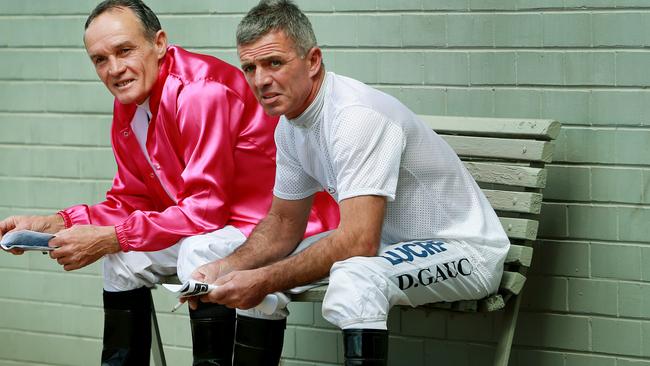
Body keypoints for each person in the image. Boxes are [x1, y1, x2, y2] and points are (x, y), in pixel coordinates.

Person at [0, 1, 339, 365]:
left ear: (159, 43)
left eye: (124, 50)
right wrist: (59, 222)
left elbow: (204, 211)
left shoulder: (199, 91)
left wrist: (112, 235)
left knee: (197, 249)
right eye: (100, 59)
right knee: (120, 259)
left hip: (280, 227)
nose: (114, 69)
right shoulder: (130, 103)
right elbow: (131, 200)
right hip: (220, 227)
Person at [189, 0, 511, 365]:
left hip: (464, 251)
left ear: (312, 61)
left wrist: (263, 279)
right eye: (250, 67)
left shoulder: (355, 117)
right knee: (254, 273)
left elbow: (359, 241)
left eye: (274, 62)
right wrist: (228, 267)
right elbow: (282, 225)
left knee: (356, 277)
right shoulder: (291, 126)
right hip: (392, 246)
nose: (260, 80)